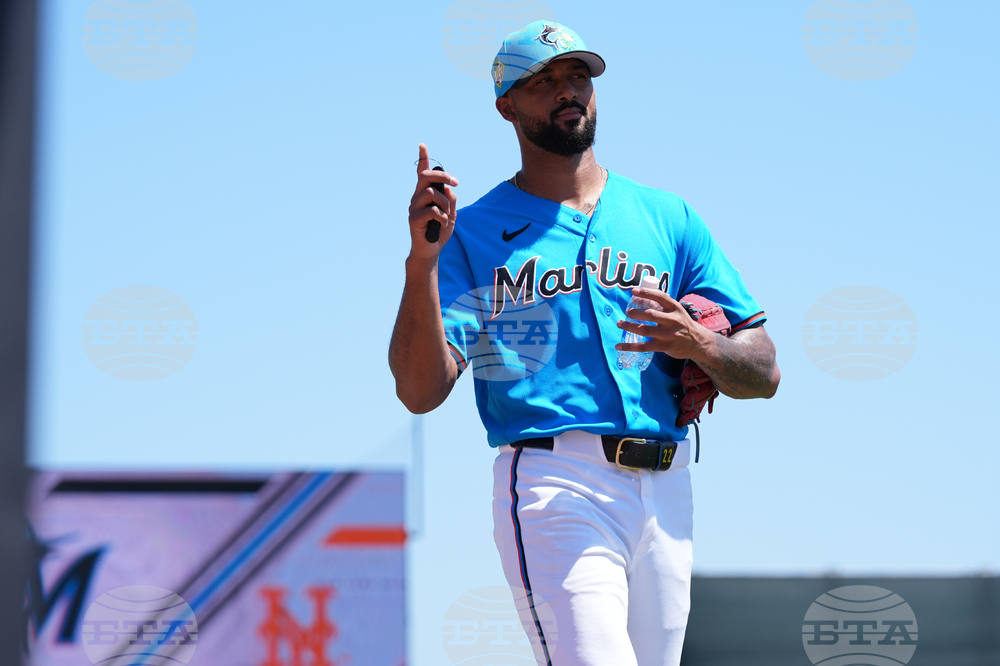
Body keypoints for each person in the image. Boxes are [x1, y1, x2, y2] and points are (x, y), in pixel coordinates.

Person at [389, 20, 780, 666]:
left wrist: (699, 345)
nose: (567, 90)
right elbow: (419, 390)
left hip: (669, 485)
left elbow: (764, 370)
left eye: (577, 75)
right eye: (543, 81)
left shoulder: (667, 217)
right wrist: (422, 265)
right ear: (507, 107)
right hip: (556, 480)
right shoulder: (471, 232)